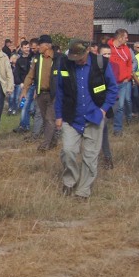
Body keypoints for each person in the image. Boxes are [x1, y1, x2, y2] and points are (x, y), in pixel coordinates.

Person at [55, 40, 118, 199]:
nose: (77, 61)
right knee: (68, 151)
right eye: (74, 57)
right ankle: (70, 181)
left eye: (80, 57)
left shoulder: (101, 64)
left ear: (88, 51)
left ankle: (83, 192)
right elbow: (60, 91)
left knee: (90, 157)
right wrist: (58, 116)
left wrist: (103, 109)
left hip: (94, 118)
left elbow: (112, 89)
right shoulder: (65, 64)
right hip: (71, 118)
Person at [21, 35, 59, 151]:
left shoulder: (58, 58)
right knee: (45, 118)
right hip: (41, 94)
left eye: (40, 45)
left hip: (54, 94)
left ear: (47, 45)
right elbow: (30, 75)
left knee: (49, 119)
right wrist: (25, 90)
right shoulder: (37, 59)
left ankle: (45, 145)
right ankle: (53, 142)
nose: (38, 47)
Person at [107, 29, 133, 135]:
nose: (127, 39)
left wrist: (127, 77)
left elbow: (129, 63)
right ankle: (102, 126)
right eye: (126, 37)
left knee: (120, 106)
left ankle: (117, 129)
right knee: (107, 104)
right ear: (120, 37)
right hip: (110, 83)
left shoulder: (126, 49)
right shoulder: (108, 47)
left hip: (123, 82)